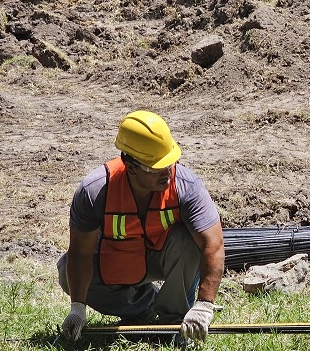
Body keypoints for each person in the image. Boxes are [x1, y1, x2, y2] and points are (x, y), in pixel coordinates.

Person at [57, 110, 225, 345]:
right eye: (156, 167)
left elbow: (213, 245)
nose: (167, 172)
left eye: (169, 162)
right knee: (66, 269)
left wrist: (204, 305)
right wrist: (77, 307)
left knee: (189, 242)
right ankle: (140, 307)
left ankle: (173, 319)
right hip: (117, 260)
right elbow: (81, 253)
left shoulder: (186, 187)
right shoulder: (94, 191)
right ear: (131, 166)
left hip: (162, 258)